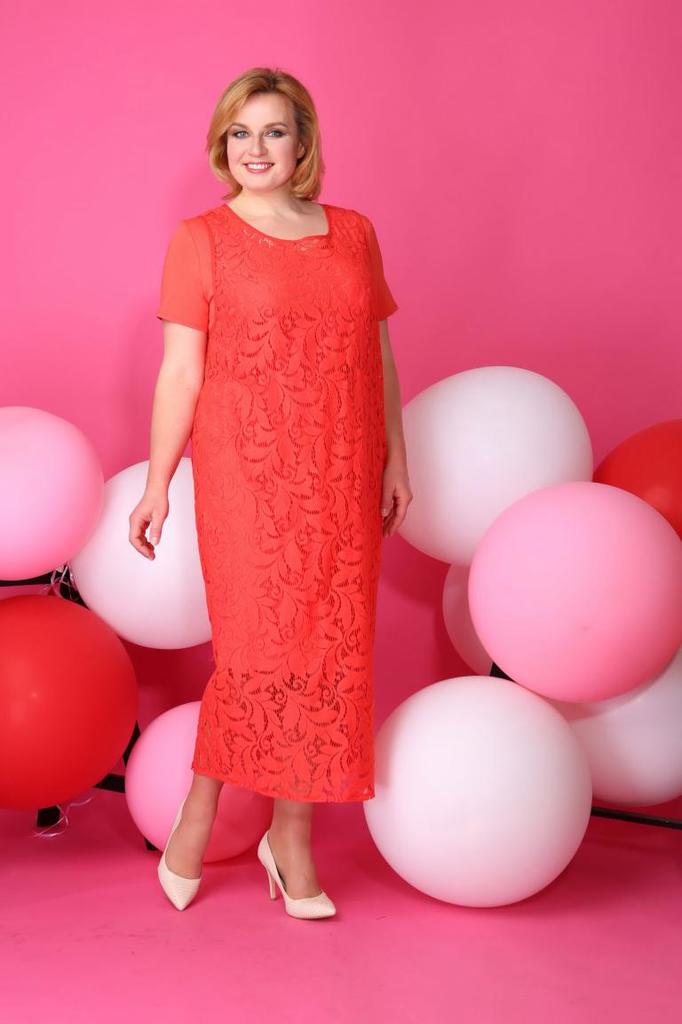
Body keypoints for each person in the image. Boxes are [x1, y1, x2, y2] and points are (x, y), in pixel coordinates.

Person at [129, 66, 412, 919]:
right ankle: (199, 813)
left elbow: (378, 354)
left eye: (274, 131)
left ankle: (291, 837)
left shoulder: (354, 233)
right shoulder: (200, 239)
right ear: (224, 144)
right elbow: (181, 373)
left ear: (303, 143)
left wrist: (395, 458)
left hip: (343, 470)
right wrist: (157, 483)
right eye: (241, 132)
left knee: (331, 656)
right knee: (258, 655)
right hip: (247, 477)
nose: (257, 148)